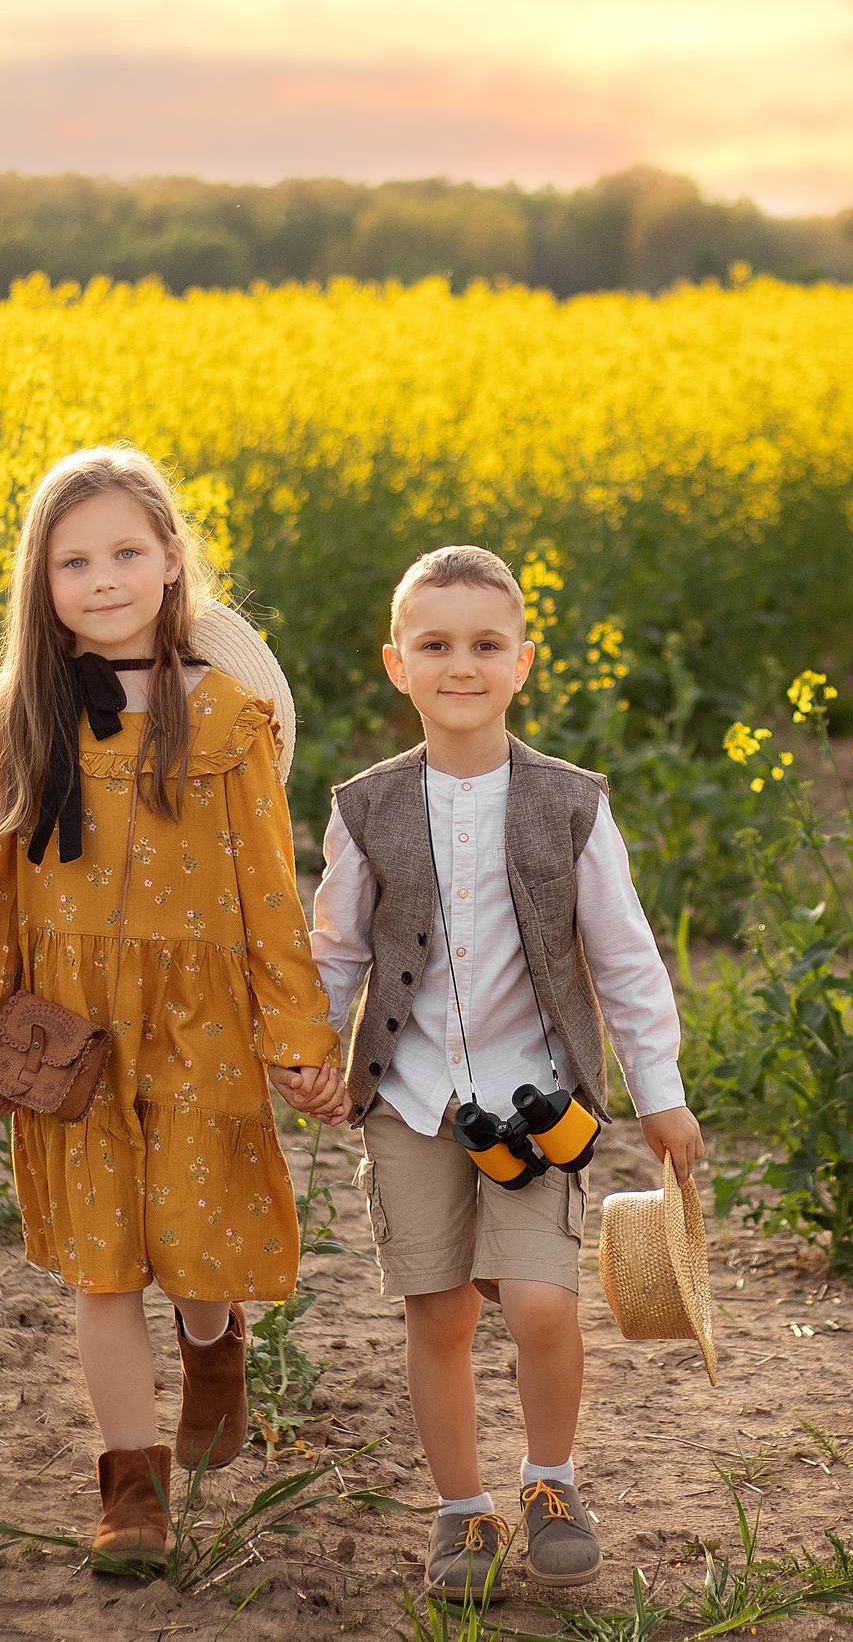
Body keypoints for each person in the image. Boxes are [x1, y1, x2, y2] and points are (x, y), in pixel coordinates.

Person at [0, 445, 350, 1566]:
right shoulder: (20, 714)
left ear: (173, 564)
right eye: (75, 560)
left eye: (128, 551)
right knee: (102, 1261)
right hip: (73, 1026)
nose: (104, 578)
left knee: (195, 1241)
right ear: (43, 581)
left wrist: (300, 1036)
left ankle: (213, 1337)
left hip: (200, 1018)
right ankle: (132, 1493)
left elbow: (271, 893)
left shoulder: (222, 715)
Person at [310, 545, 705, 1601]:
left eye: (486, 644)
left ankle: (551, 1482)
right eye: (435, 645)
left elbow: (624, 955)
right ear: (396, 664)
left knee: (539, 1304)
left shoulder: (569, 804)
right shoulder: (366, 807)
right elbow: (335, 950)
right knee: (438, 1314)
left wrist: (658, 1091)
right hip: (408, 1097)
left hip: (536, 1101)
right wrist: (308, 1048)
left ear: (523, 662)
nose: (461, 665)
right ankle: (460, 1514)